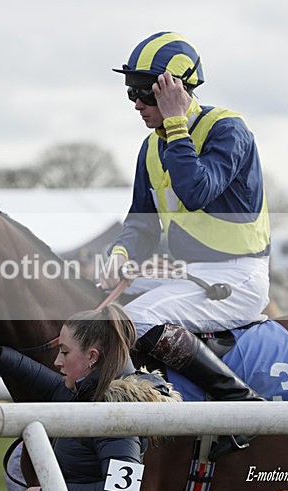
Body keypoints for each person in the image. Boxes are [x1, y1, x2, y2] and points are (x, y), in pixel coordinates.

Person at [99, 31, 270, 459]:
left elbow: (197, 189)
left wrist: (176, 121)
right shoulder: (151, 148)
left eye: (144, 93)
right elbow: (140, 221)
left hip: (239, 276)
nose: (136, 104)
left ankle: (240, 406)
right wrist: (120, 255)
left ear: (175, 88)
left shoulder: (229, 130)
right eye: (130, 94)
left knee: (133, 320)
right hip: (189, 277)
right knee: (92, 312)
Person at [0, 303, 177, 491]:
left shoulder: (116, 414)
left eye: (65, 352)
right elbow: (45, 382)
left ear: (92, 357)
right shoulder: (88, 393)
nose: (57, 361)